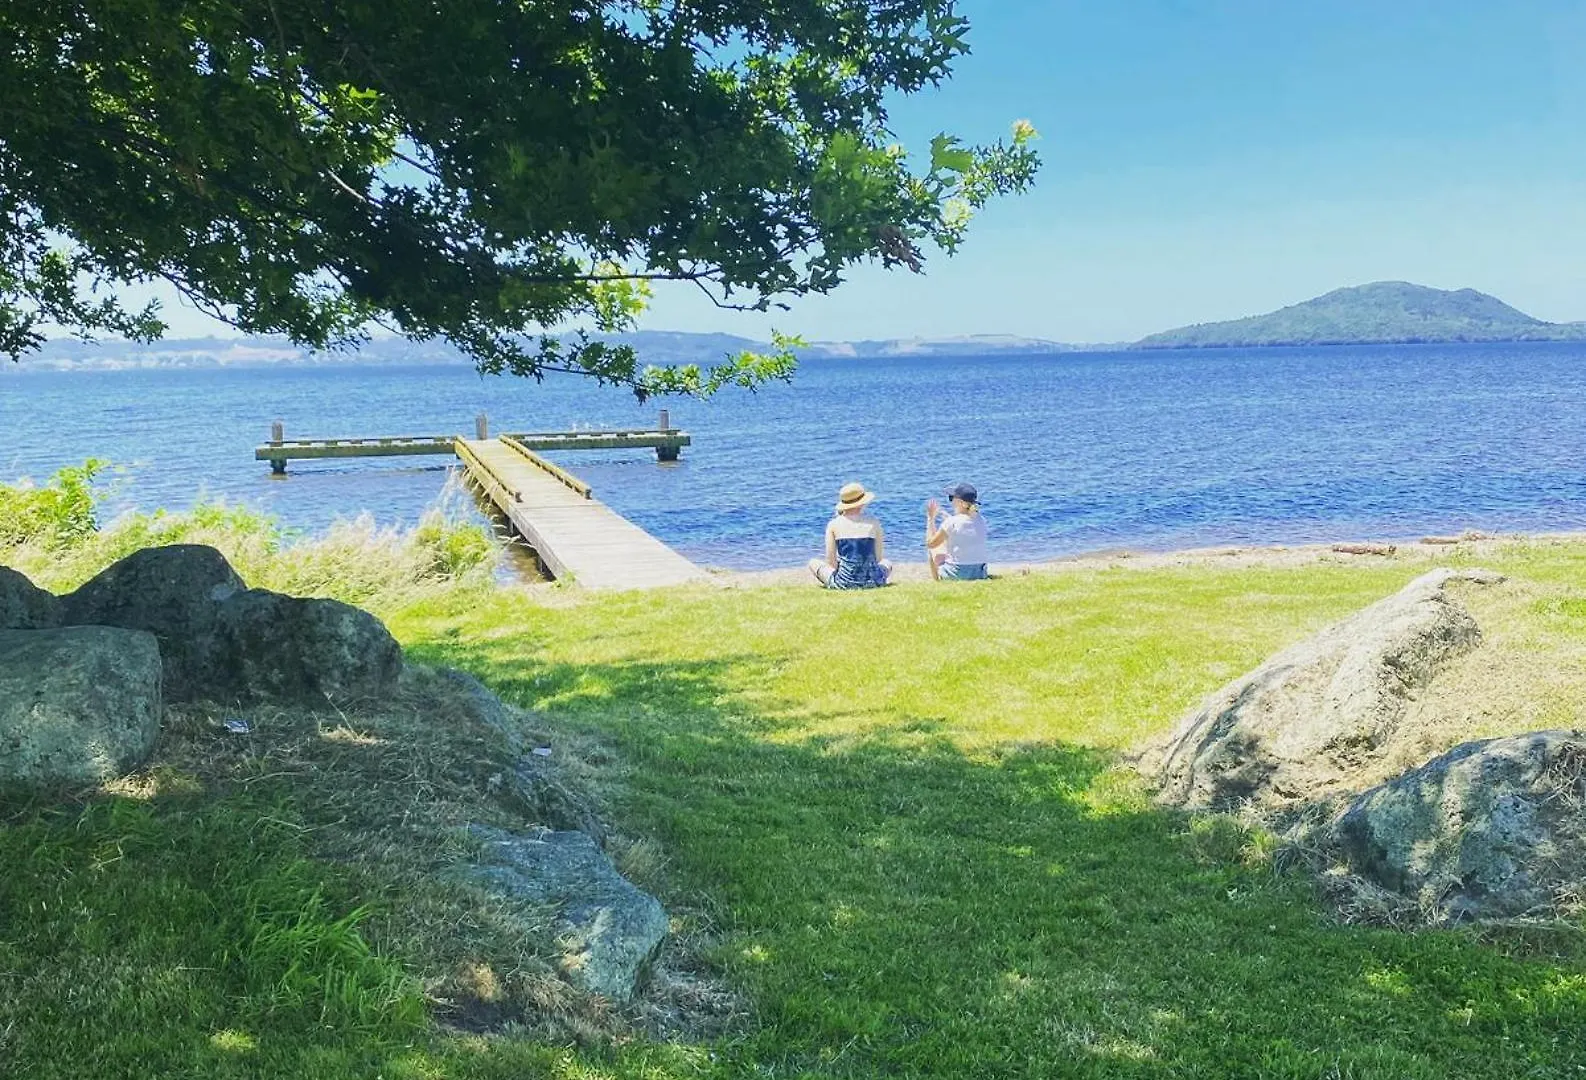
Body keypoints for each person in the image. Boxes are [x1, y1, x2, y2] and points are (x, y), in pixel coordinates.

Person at [809, 482, 894, 589]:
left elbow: (831, 562)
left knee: (813, 563)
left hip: (843, 583)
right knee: (887, 563)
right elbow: (878, 558)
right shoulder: (874, 522)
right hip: (874, 581)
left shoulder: (833, 524)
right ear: (862, 503)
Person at [925, 482, 989, 581]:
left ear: (960, 502)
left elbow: (930, 544)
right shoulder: (982, 520)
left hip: (957, 573)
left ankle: (937, 582)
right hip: (979, 573)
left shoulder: (951, 522)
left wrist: (930, 518)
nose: (951, 502)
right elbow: (964, 531)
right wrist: (948, 518)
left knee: (933, 550)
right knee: (948, 545)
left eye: (951, 498)